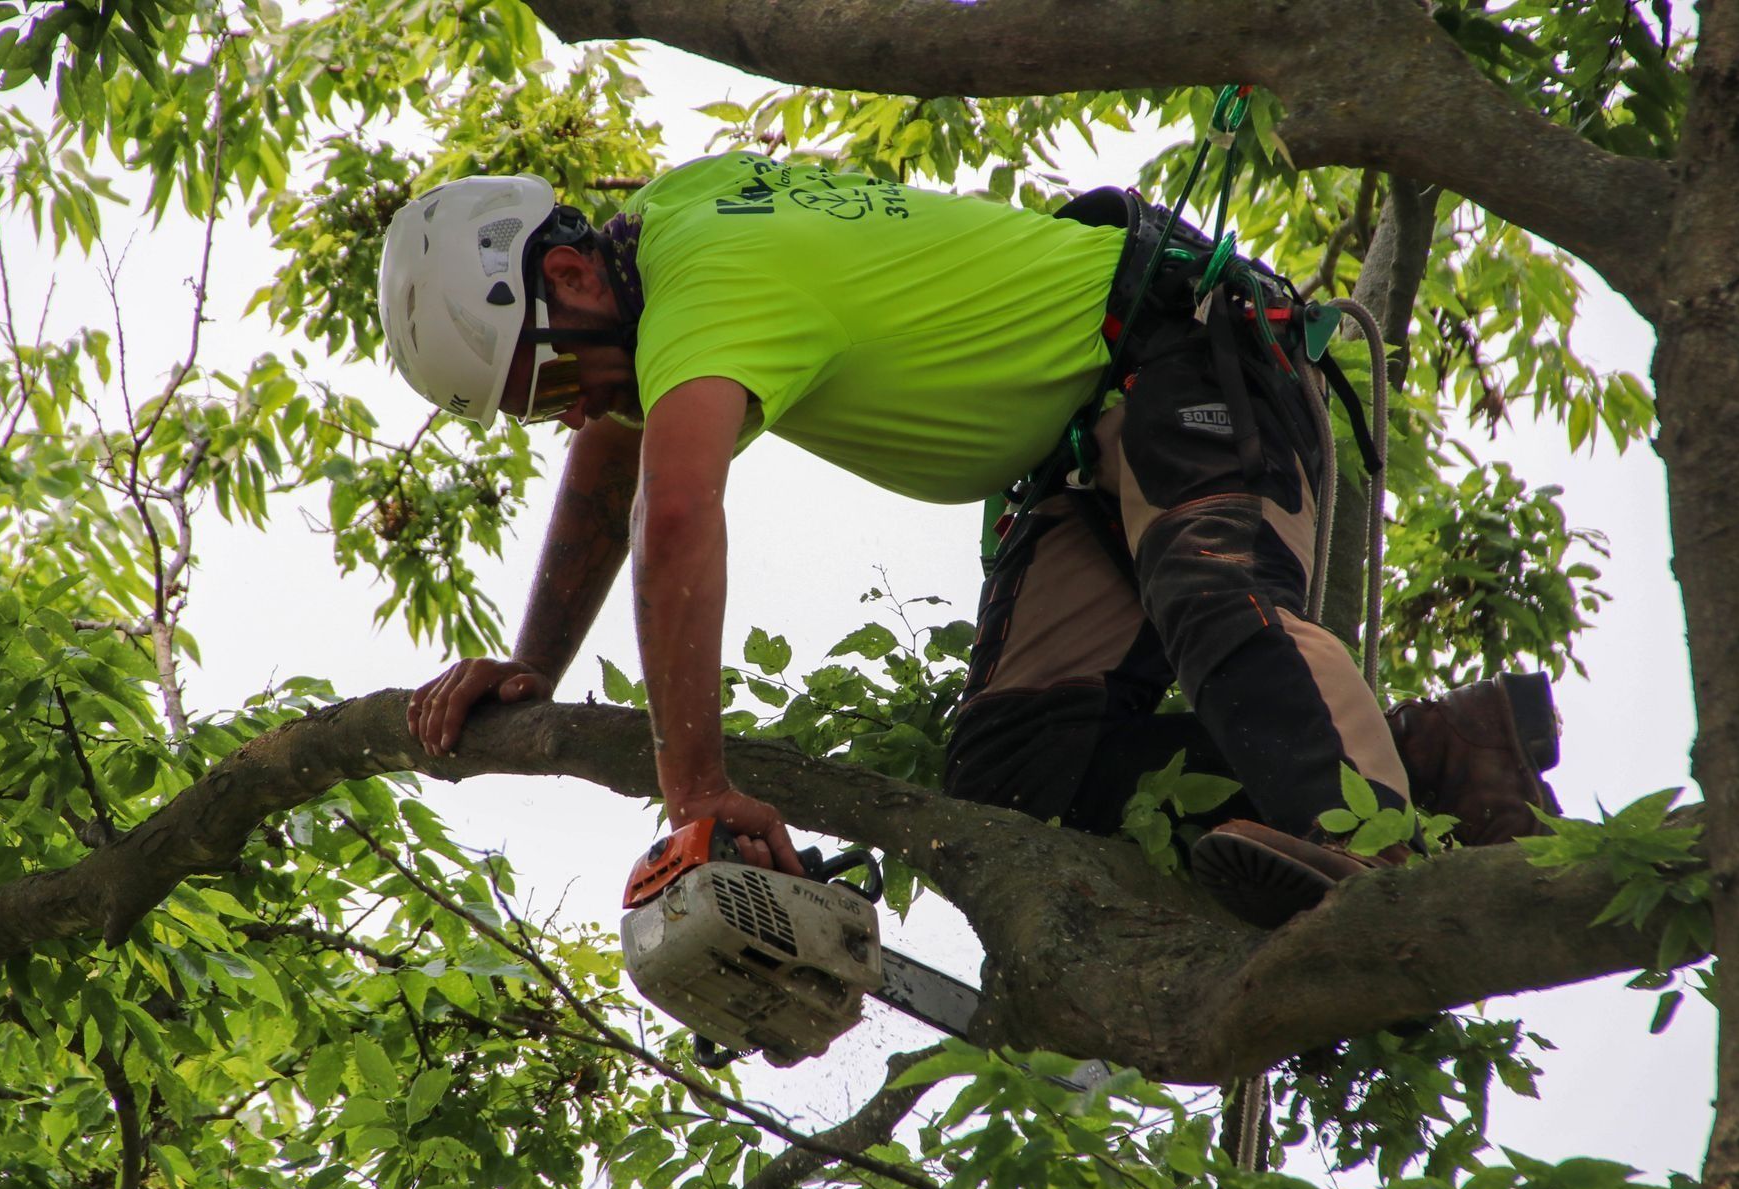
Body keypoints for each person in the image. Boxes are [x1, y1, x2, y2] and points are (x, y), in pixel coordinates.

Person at [384, 155, 1558, 929]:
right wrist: (533, 661)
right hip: (1079, 443)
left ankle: (1381, 858)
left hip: (1189, 358)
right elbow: (617, 460)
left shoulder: (705, 287)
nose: (575, 415)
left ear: (575, 272)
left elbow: (674, 511)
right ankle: (1440, 755)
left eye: (553, 383)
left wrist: (695, 791)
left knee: (1211, 593)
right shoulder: (677, 228)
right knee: (1019, 770)